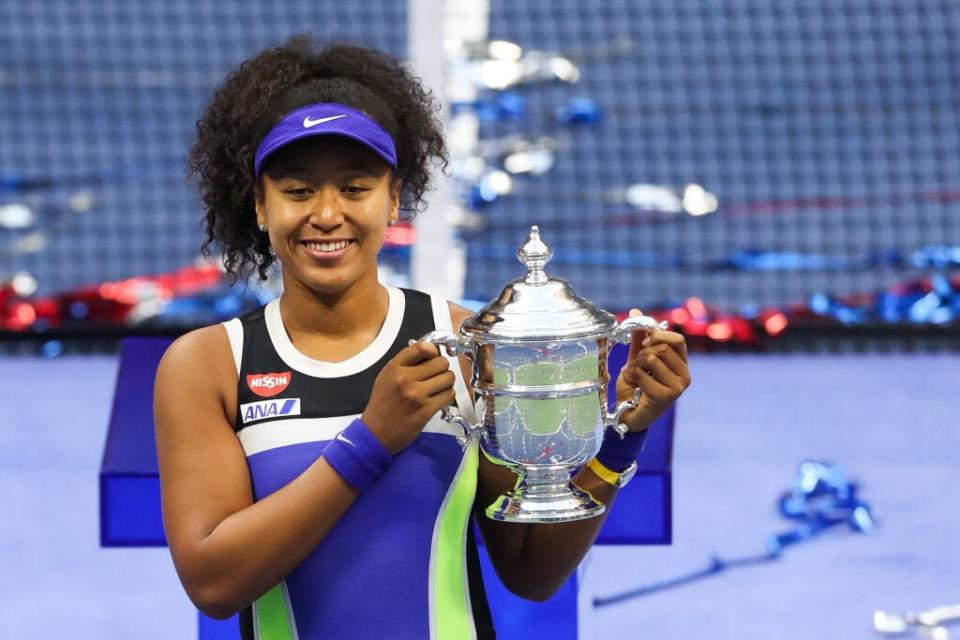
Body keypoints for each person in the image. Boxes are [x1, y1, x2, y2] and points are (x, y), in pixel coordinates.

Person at [155, 34, 691, 640]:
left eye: (355, 189)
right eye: (298, 191)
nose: (326, 214)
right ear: (259, 205)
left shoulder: (468, 343)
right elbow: (214, 583)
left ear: (394, 202)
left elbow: (531, 571)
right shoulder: (208, 365)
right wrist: (372, 440)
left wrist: (622, 439)